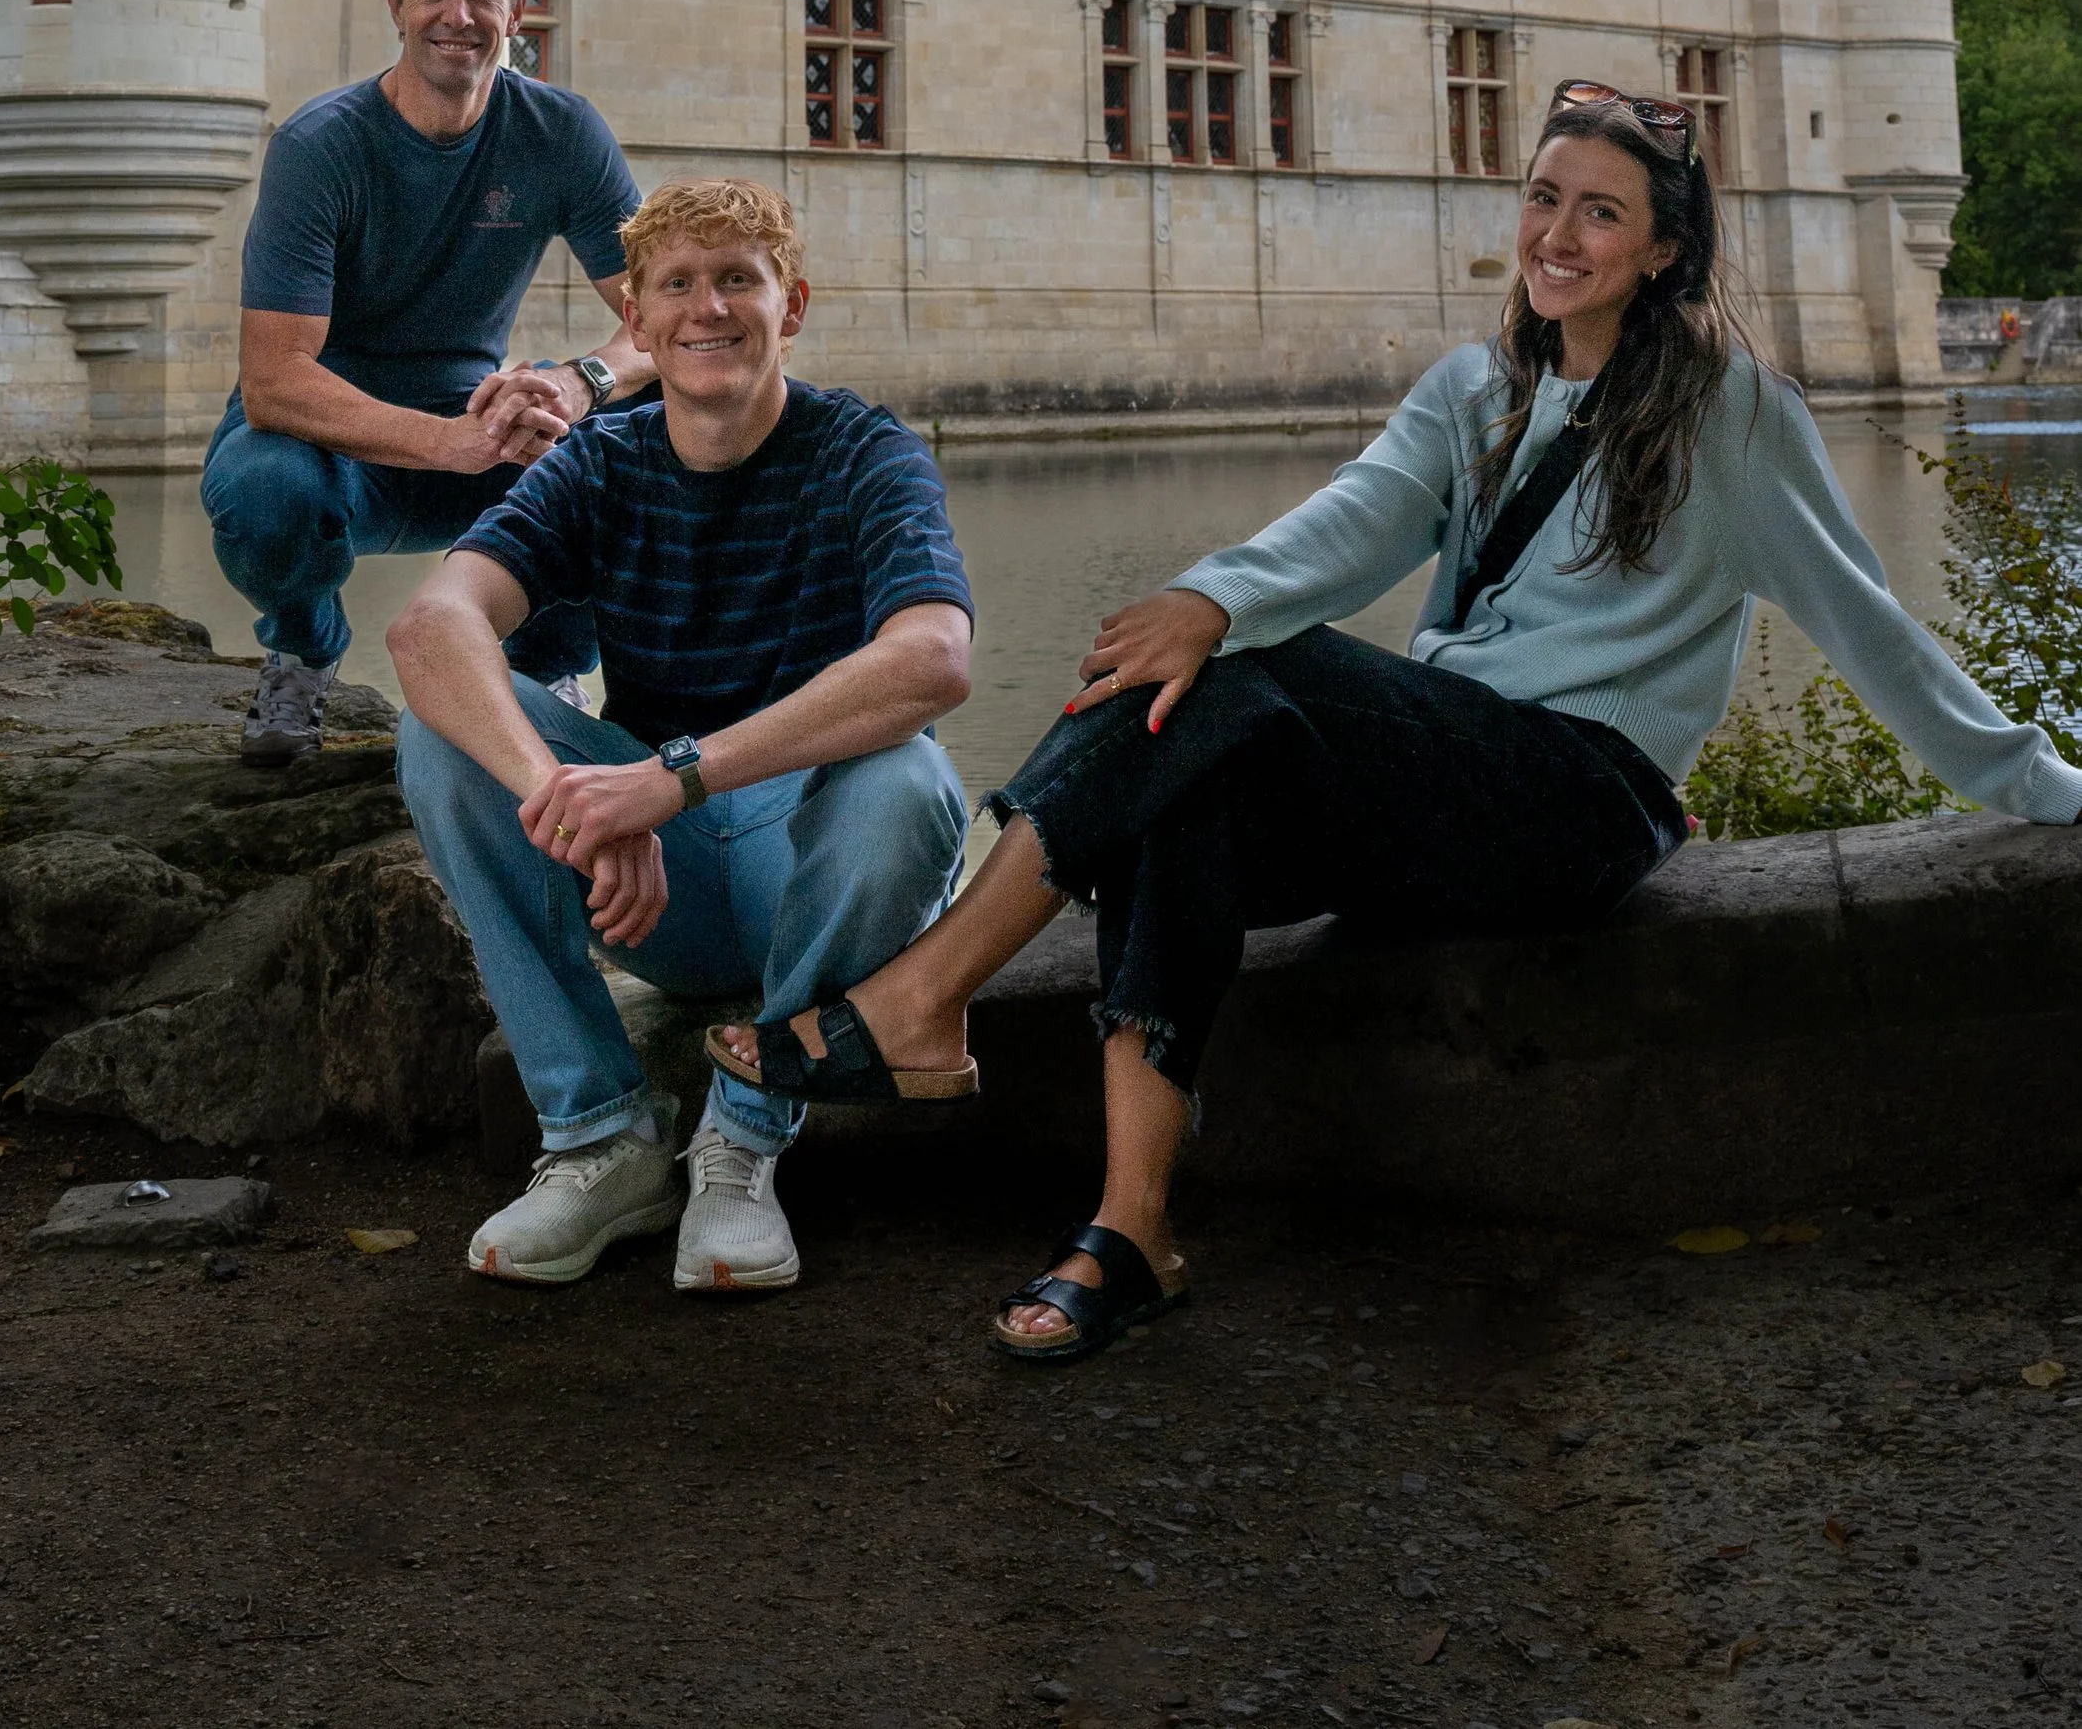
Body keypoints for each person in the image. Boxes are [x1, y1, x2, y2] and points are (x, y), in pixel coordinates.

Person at [711, 82, 2082, 1364]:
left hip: (1580, 801)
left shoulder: (1731, 414)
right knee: (1182, 751)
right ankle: (1130, 1229)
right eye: (1544, 198)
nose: (1558, 234)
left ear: (1666, 250)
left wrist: (2044, 782)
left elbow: (1873, 631)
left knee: (1241, 669)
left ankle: (926, 993)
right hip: (1449, 780)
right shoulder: (1471, 390)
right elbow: (1346, 529)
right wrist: (1204, 595)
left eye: (1602, 211)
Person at [390, 175, 974, 1296]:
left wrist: (671, 781)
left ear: (789, 305)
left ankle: (744, 1136)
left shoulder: (865, 452)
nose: (708, 308)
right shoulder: (600, 461)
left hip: (820, 861)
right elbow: (431, 629)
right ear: (643, 325)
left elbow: (934, 660)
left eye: (737, 281)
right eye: (677, 286)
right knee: (443, 732)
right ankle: (603, 1139)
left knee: (907, 780)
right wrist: (571, 797)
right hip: (660, 890)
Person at [202, 0, 651, 765]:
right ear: (395, 5)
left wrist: (575, 381)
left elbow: (659, 321)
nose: (458, 13)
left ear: (516, 10)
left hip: (475, 422)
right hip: (329, 441)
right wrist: (448, 443)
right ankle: (302, 647)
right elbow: (274, 379)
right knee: (262, 491)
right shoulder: (320, 145)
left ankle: (544, 671)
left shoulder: (561, 133)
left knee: (649, 425)